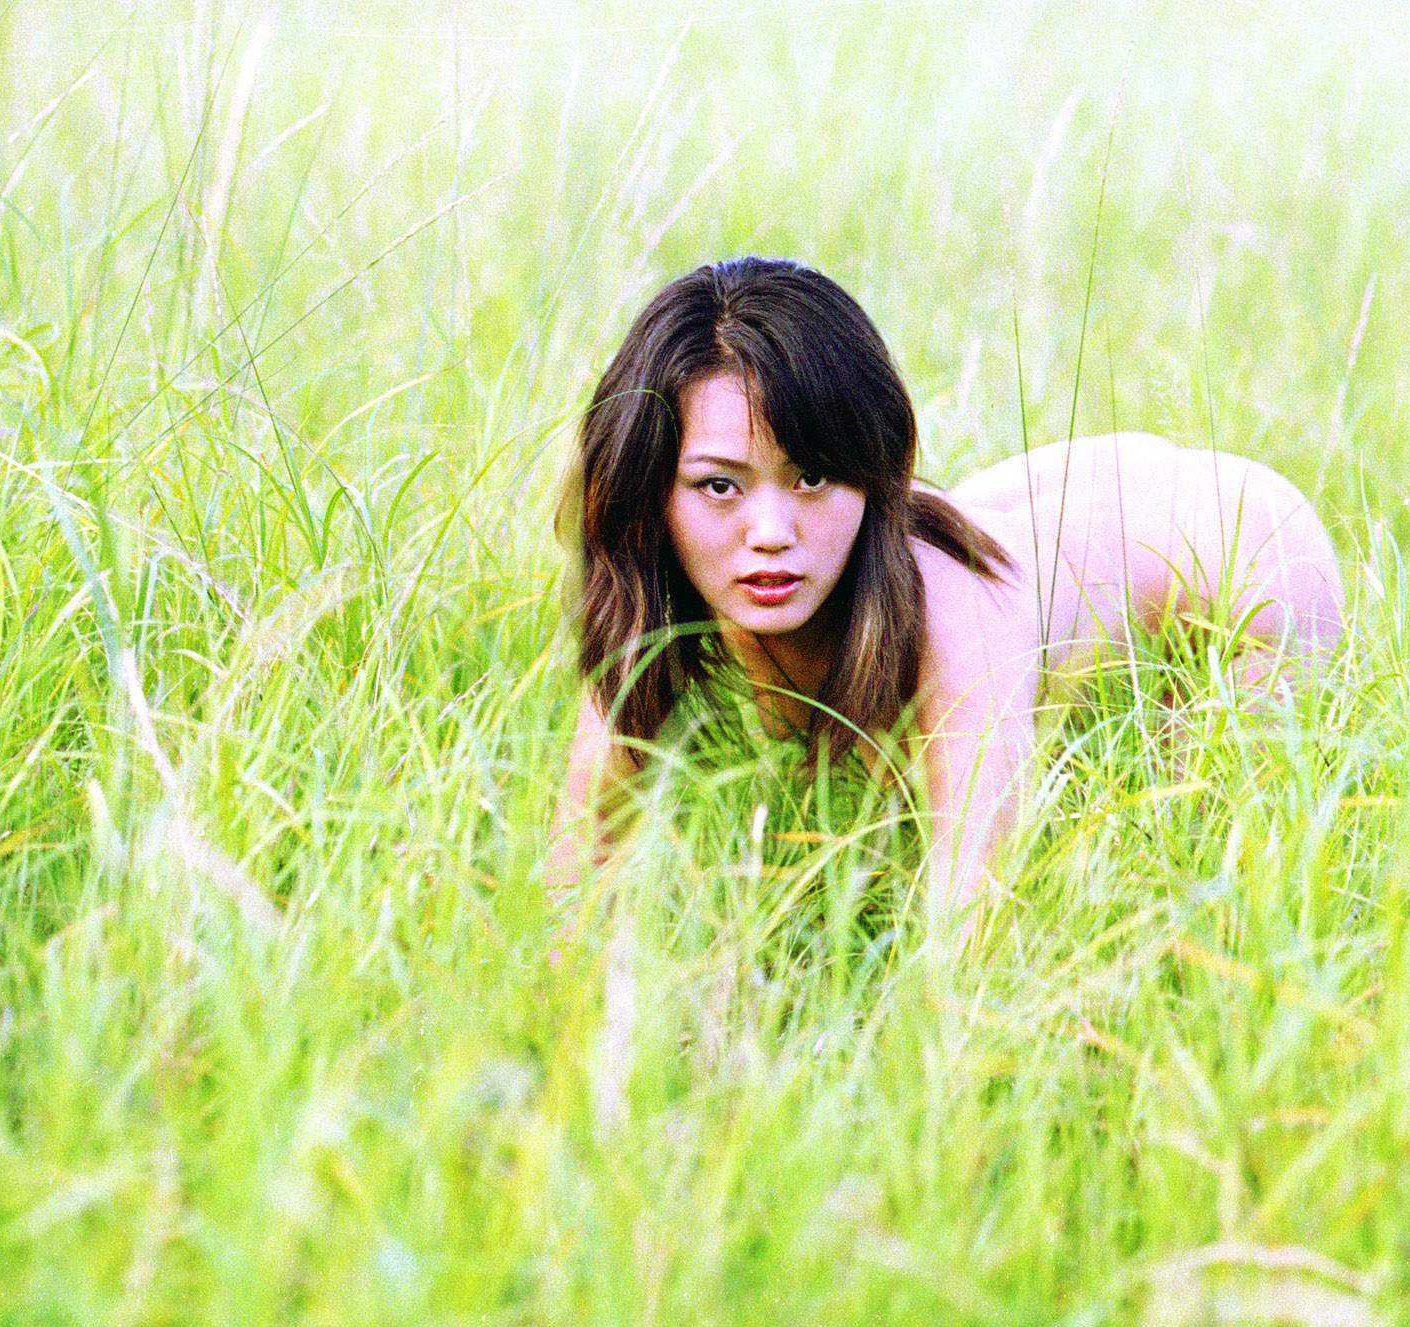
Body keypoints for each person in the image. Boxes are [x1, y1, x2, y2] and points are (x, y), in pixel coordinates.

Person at [543, 255, 1344, 943]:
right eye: (720, 485)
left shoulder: (953, 616)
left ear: (871, 475)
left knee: (1187, 874)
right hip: (1066, 521)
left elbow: (972, 929)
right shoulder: (645, 599)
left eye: (812, 476)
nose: (771, 534)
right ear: (650, 489)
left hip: (1243, 561)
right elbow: (573, 882)